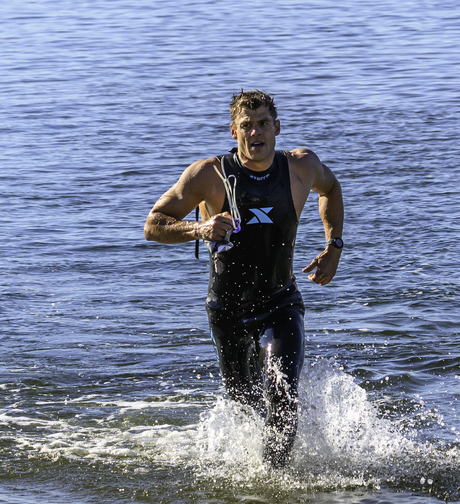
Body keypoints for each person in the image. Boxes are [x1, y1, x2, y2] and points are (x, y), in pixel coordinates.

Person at [144, 90, 344, 468]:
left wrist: (333, 245)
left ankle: (273, 483)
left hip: (280, 300)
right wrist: (199, 229)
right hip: (228, 311)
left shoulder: (301, 167)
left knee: (283, 393)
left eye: (263, 124)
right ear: (233, 131)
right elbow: (153, 224)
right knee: (246, 408)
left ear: (277, 128)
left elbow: (331, 189)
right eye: (246, 126)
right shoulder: (209, 174)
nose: (256, 133)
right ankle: (253, 470)